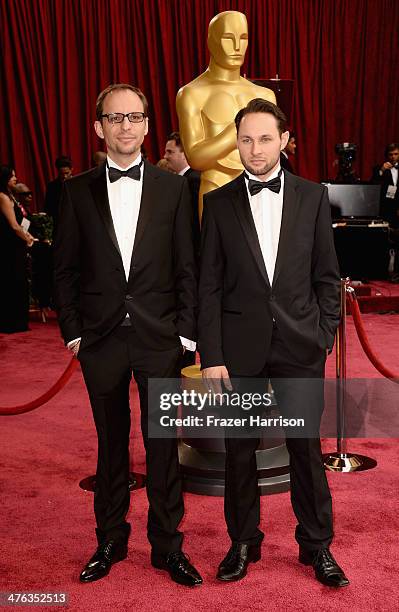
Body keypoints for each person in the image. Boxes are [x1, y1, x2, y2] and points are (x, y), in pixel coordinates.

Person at [54, 83, 201, 586]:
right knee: (110, 444)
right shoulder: (75, 191)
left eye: (134, 117)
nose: (125, 127)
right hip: (101, 341)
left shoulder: (174, 188)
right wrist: (74, 333)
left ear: (146, 125)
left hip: (160, 339)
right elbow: (63, 271)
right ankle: (110, 538)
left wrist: (185, 332)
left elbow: (188, 265)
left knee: (162, 444)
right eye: (114, 118)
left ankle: (167, 545)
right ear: (99, 127)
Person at [198, 99, 349, 587]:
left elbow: (327, 276)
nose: (255, 149)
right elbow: (209, 286)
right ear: (236, 142)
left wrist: (322, 333)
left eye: (265, 139)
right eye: (245, 139)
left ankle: (317, 545)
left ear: (284, 140)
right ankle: (243, 542)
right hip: (239, 350)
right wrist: (213, 355)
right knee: (239, 451)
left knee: (305, 448)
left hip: (300, 345)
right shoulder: (218, 203)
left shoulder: (311, 196)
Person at [176, 10, 276, 217]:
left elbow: (273, 152)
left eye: (244, 38)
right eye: (228, 38)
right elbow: (195, 157)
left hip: (261, 191)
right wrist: (234, 133)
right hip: (215, 188)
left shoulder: (265, 95)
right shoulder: (192, 93)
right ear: (211, 40)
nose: (238, 47)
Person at [0, 166, 35, 333]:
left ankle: (19, 321)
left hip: (16, 246)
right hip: (9, 247)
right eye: (12, 176)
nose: (15, 178)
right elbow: (13, 225)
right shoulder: (3, 197)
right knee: (12, 282)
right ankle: (10, 322)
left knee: (19, 282)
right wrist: (27, 238)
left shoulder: (11, 196)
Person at [370, 142, 399, 227]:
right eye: (391, 154)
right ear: (387, 155)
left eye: (396, 154)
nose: (393, 157)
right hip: (386, 207)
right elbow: (373, 185)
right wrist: (381, 171)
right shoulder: (378, 168)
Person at [44, 155, 73, 233]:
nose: (64, 176)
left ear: (72, 170)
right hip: (58, 224)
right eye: (61, 174)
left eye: (67, 173)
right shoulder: (51, 187)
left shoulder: (78, 184)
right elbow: (48, 207)